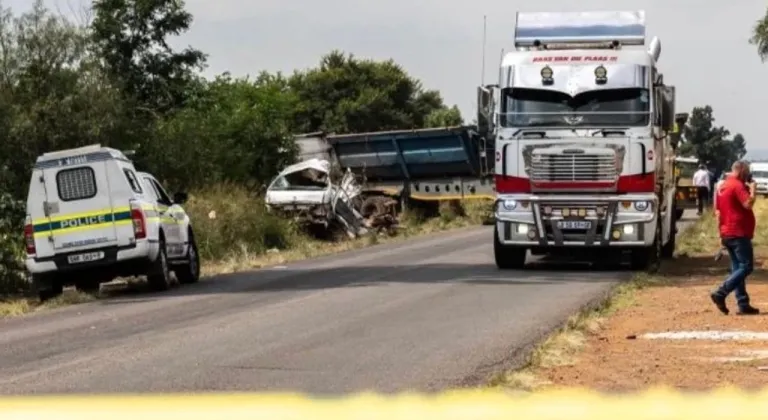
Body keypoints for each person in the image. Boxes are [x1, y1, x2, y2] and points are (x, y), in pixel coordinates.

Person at [710, 160, 760, 315]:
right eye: (747, 171)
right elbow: (748, 204)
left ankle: (743, 303)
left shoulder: (722, 186)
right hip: (739, 233)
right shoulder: (737, 185)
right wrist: (753, 190)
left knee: (737, 268)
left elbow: (717, 212)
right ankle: (721, 292)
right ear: (742, 170)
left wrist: (720, 234)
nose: (748, 175)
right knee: (746, 266)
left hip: (727, 232)